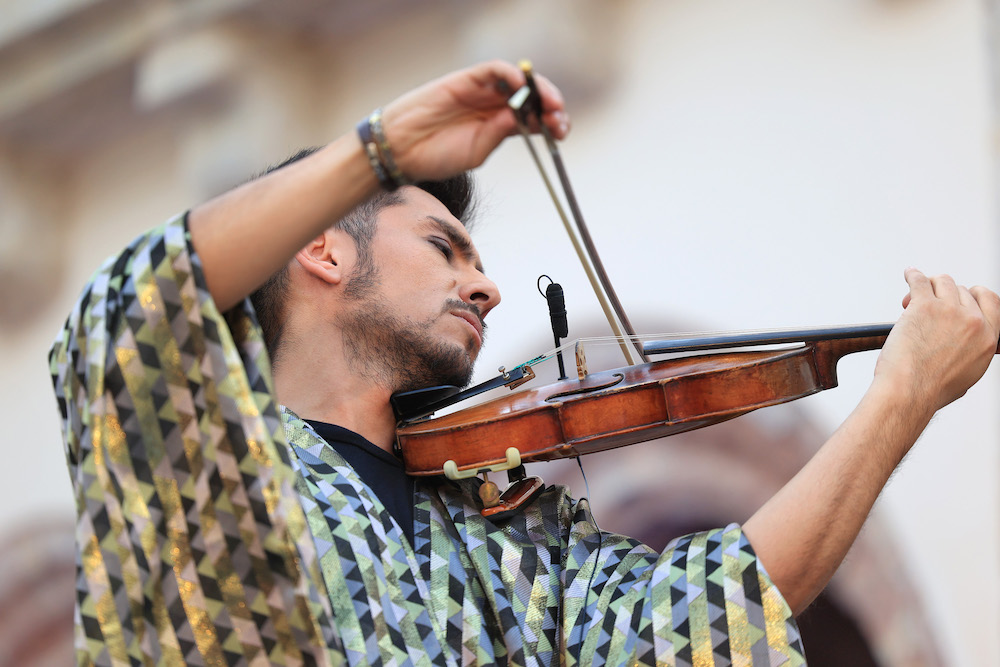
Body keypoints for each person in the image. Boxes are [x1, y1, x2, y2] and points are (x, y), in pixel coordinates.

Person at [49, 59, 999, 666]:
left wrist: (903, 395)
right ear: (324, 252)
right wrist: (377, 151)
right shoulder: (214, 464)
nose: (489, 287)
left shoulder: (506, 529)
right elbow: (121, 320)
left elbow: (702, 620)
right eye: (446, 248)